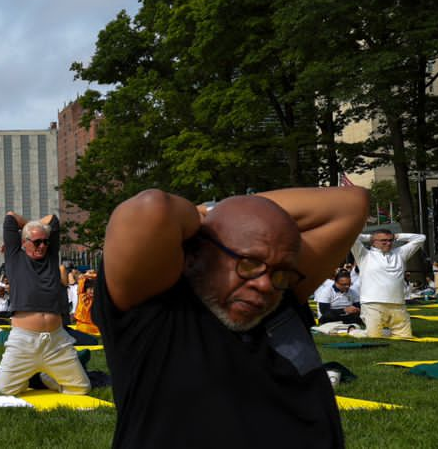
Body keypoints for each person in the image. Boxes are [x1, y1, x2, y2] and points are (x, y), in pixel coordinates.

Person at [93, 186, 367, 449]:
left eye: (280, 272)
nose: (265, 285)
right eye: (248, 264)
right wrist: (217, 216)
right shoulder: (159, 313)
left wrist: (228, 216)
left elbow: (352, 204)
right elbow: (151, 209)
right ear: (195, 255)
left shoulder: (280, 295)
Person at [0, 212, 90, 396]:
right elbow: (10, 217)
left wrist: (38, 231)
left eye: (45, 241)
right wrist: (33, 228)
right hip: (24, 340)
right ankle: (35, 376)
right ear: (23, 242)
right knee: (2, 389)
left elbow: (53, 219)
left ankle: (43, 377)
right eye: (36, 242)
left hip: (56, 340)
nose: (42, 246)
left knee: (82, 388)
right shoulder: (14, 256)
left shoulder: (51, 256)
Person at [351, 228, 426, 338]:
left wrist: (397, 236)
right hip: (372, 303)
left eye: (391, 240)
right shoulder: (364, 255)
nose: (388, 243)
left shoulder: (400, 253)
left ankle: (383, 332)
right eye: (383, 240)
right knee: (374, 337)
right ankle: (352, 331)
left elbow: (421, 238)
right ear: (373, 242)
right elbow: (350, 236)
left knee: (405, 337)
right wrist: (368, 237)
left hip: (398, 303)